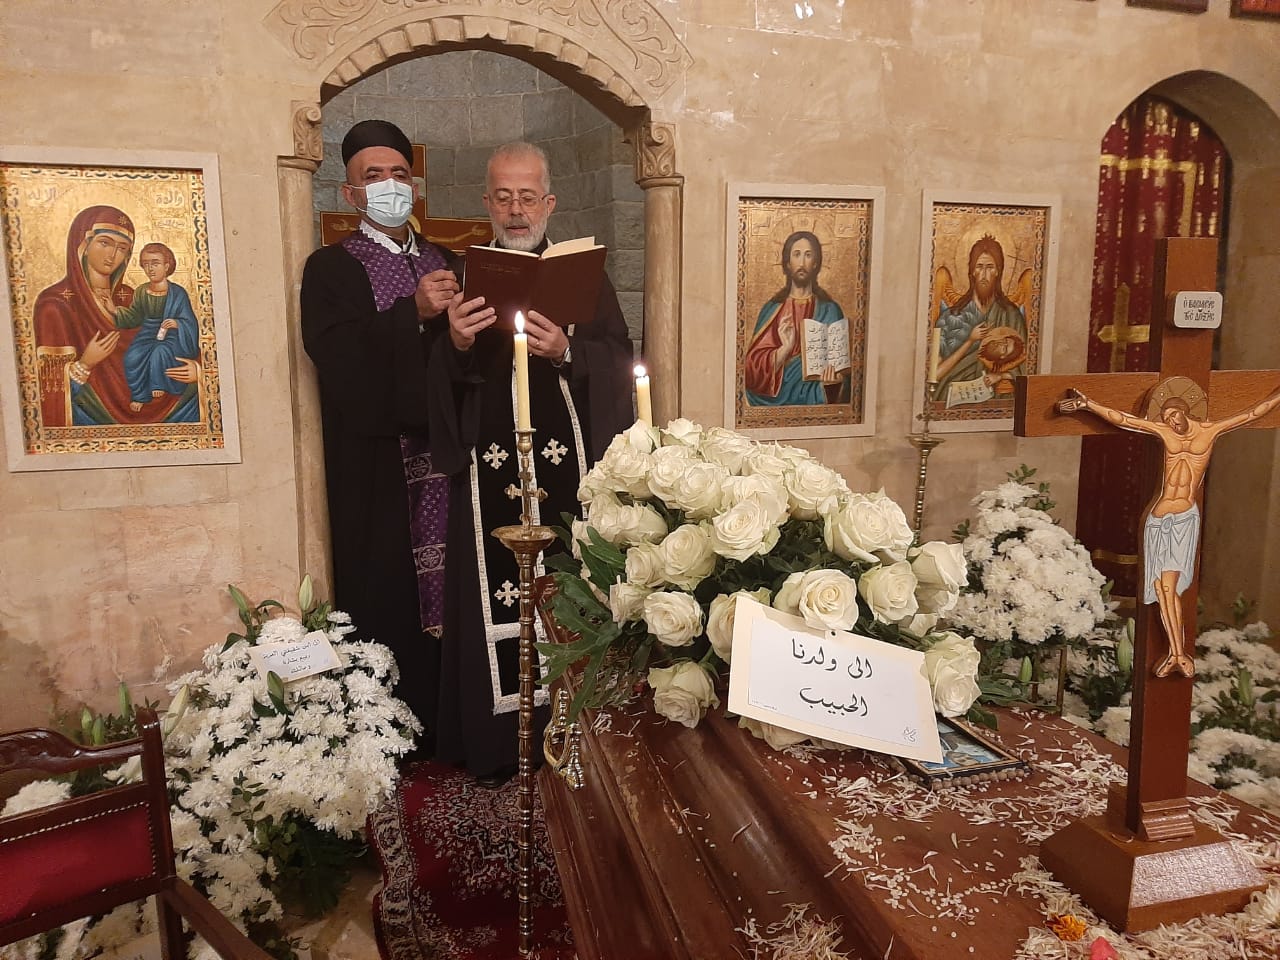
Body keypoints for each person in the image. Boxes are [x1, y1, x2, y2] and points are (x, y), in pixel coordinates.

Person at [430, 141, 633, 783]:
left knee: (571, 579)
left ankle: (575, 728)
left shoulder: (584, 276)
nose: (516, 211)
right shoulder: (461, 278)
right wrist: (455, 341)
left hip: (568, 466)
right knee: (492, 587)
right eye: (503, 198)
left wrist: (568, 351)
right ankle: (498, 742)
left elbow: (621, 363)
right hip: (487, 472)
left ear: (549, 203)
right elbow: (433, 380)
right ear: (487, 203)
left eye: (527, 197)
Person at [300, 119, 463, 730]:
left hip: (447, 458)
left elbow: (468, 354)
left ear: (413, 186)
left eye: (398, 174)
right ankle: (389, 729)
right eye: (373, 176)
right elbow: (336, 355)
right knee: (387, 589)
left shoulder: (447, 261)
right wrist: (411, 312)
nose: (389, 185)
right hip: (377, 465)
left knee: (459, 587)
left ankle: (456, 721)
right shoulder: (331, 268)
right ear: (350, 194)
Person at [1058, 379, 1280, 677]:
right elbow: (1124, 419)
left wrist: (1277, 395)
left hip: (1185, 519)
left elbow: (1253, 413)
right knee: (1162, 588)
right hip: (1159, 519)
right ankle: (1176, 653)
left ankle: (1178, 654)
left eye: (1173, 415)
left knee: (1172, 587)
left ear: (1185, 411)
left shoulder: (1210, 430)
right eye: (1165, 418)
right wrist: (1088, 405)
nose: (1171, 422)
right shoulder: (1163, 432)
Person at [33, 206, 200, 426]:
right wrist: (85, 364)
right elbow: (48, 393)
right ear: (83, 245)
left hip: (166, 403)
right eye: (105, 243)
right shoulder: (56, 305)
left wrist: (198, 372)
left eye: (122, 248)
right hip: (92, 414)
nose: (112, 255)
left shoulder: (130, 296)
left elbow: (177, 339)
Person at [743, 231, 848, 406]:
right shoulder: (773, 309)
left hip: (815, 396)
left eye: (808, 255)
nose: (802, 263)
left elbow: (844, 372)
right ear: (787, 263)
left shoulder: (830, 309)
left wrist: (833, 384)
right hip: (775, 400)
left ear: (816, 263)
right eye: (796, 254)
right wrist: (784, 350)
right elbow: (750, 371)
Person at [934, 235, 1027, 405]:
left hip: (997, 403)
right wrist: (970, 341)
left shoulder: (1012, 316)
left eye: (990, 267)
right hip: (953, 399)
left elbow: (1024, 368)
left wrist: (1001, 375)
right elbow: (935, 374)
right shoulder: (951, 317)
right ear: (972, 272)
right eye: (979, 267)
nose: (984, 275)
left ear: (998, 272)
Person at [115, 242, 201, 414]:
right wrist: (115, 311)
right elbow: (135, 316)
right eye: (146, 264)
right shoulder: (141, 291)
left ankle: (158, 384)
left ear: (166, 266)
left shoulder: (178, 293)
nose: (150, 269)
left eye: (155, 263)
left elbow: (190, 321)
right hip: (147, 332)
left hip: (172, 335)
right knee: (132, 357)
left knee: (160, 351)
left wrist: (177, 323)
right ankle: (140, 395)